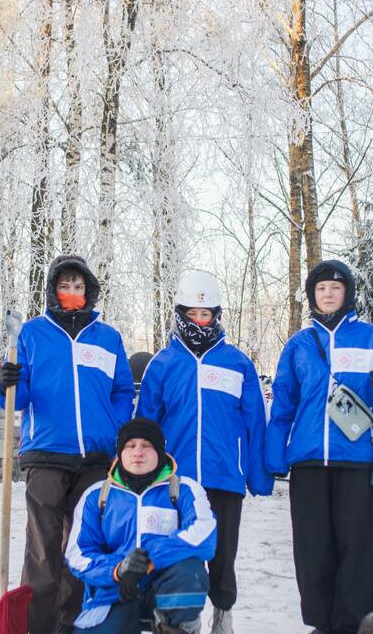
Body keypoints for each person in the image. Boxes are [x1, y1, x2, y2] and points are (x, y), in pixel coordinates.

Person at [0, 255, 137, 634]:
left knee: (81, 546)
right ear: (53, 290)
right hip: (46, 454)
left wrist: (115, 426)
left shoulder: (107, 337)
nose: (72, 293)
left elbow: (122, 389)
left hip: (95, 457)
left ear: (88, 291)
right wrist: (5, 381)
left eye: (79, 287)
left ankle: (70, 625)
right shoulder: (32, 334)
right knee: (43, 548)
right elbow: (16, 398)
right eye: (65, 286)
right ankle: (37, 627)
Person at [266, 259, 373, 634]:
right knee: (313, 547)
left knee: (357, 544)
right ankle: (322, 622)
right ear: (313, 296)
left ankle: (354, 621)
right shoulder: (298, 345)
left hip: (358, 458)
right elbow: (283, 403)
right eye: (321, 289)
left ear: (348, 293)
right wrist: (274, 455)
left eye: (335, 288)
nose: (328, 295)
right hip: (309, 460)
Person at [136, 270, 274, 634]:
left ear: (216, 315)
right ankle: (182, 614)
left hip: (224, 475)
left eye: (206, 314)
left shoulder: (237, 363)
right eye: (193, 314)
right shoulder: (163, 365)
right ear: (181, 314)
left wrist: (258, 474)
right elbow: (144, 426)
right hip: (176, 481)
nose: (200, 321)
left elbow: (256, 422)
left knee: (223, 553)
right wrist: (143, 476)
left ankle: (223, 612)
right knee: (180, 549)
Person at [65, 417, 217, 633]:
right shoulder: (97, 496)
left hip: (164, 588)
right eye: (130, 446)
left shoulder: (183, 489)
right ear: (119, 453)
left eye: (146, 445)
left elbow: (204, 535)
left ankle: (178, 625)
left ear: (160, 452)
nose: (138, 452)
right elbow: (77, 555)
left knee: (189, 570)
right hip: (115, 593)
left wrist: (148, 560)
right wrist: (119, 569)